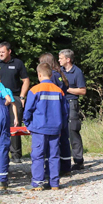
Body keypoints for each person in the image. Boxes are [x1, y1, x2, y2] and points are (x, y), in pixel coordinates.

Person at [24, 63, 69, 191]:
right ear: (50, 74)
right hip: (55, 128)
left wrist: (28, 124)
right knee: (54, 155)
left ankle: (38, 182)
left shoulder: (34, 90)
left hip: (39, 128)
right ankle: (54, 183)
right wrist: (62, 126)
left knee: (38, 155)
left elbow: (28, 110)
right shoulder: (59, 90)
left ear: (39, 74)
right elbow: (65, 111)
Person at [0, 42, 30, 164]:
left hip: (14, 97)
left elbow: (26, 80)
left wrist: (22, 97)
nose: (0, 54)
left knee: (14, 124)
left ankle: (16, 154)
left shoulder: (17, 63)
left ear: (9, 51)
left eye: (3, 52)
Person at [39, 52, 72, 175]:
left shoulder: (52, 76)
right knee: (63, 138)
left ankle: (55, 168)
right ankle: (66, 166)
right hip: (62, 109)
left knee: (54, 140)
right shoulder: (59, 74)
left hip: (54, 111)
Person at [59, 49, 87, 171]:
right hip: (61, 103)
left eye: (61, 58)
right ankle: (63, 160)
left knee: (73, 131)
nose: (59, 60)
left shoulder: (77, 72)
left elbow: (83, 91)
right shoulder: (60, 72)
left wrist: (68, 89)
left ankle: (78, 160)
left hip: (71, 103)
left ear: (68, 59)